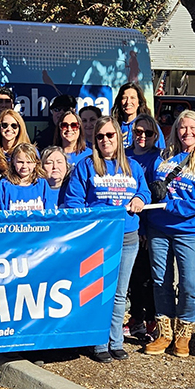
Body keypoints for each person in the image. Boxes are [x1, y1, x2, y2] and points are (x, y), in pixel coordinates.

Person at [64, 116, 150, 363]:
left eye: (110, 135)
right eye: (100, 136)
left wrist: (140, 199)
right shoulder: (86, 166)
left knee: (120, 292)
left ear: (119, 137)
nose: (105, 140)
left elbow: (142, 190)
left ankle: (116, 340)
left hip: (127, 237)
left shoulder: (132, 166)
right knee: (99, 291)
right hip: (99, 239)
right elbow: (74, 201)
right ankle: (99, 342)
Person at [144, 110, 195, 358]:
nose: (187, 132)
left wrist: (175, 206)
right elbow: (148, 186)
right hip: (158, 227)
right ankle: (165, 332)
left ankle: (184, 332)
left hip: (190, 228)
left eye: (193, 127)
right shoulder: (164, 155)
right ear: (175, 130)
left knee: (191, 284)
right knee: (160, 281)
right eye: (182, 127)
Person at [124, 114, 162, 342]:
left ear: (155, 136)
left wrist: (145, 229)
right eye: (138, 131)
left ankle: (152, 320)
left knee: (148, 276)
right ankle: (136, 317)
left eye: (148, 133)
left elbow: (151, 197)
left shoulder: (158, 158)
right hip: (128, 226)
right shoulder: (124, 156)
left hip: (147, 225)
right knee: (133, 277)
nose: (142, 136)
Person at [0, 143, 53, 211]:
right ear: (13, 161)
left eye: (29, 162)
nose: (24, 166)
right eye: (20, 162)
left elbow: (49, 213)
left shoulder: (42, 184)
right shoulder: (4, 185)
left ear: (35, 163)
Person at [111, 82, 165, 149]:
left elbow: (160, 152)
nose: (128, 102)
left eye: (132, 98)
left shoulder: (150, 126)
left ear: (139, 102)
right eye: (124, 98)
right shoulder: (113, 126)